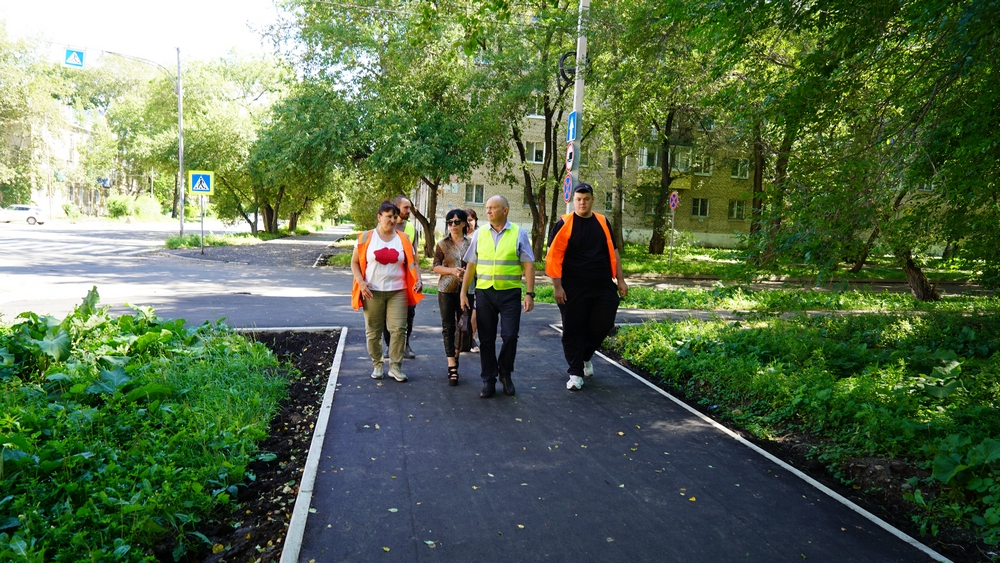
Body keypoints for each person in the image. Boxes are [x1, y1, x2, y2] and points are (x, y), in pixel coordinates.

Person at [545, 183, 628, 391]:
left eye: (586, 199)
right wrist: (557, 286)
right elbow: (553, 258)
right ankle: (575, 374)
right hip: (572, 287)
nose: (582, 203)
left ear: (592, 200)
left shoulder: (602, 221)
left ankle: (585, 355)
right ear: (574, 201)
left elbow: (614, 252)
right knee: (573, 328)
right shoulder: (563, 223)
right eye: (579, 199)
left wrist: (621, 280)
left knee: (604, 323)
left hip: (602, 285)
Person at [460, 196, 535, 398]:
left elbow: (528, 265)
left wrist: (530, 293)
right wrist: (463, 292)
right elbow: (471, 265)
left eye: (493, 208)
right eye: (487, 208)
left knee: (510, 336)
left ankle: (505, 372)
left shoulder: (519, 233)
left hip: (510, 293)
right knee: (486, 340)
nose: (488, 211)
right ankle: (488, 379)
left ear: (505, 210)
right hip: (484, 292)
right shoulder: (480, 233)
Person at [352, 200, 424, 382]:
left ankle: (395, 367)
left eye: (394, 216)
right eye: (388, 216)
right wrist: (361, 282)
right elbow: (354, 263)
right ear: (379, 217)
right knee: (373, 331)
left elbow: (413, 262)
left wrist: (419, 279)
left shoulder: (403, 238)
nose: (392, 220)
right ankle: (377, 365)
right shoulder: (366, 237)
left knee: (399, 329)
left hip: (398, 290)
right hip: (372, 291)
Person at [432, 209, 471, 385]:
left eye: (456, 222)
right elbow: (435, 266)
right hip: (446, 289)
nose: (453, 225)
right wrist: (452, 271)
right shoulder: (442, 244)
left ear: (464, 223)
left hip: (468, 290)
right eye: (449, 222)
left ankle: (456, 356)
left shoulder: (472, 243)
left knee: (463, 327)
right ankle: (451, 365)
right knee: (448, 327)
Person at [383, 195, 419, 359]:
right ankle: (389, 346)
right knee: (386, 314)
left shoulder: (411, 228)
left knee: (409, 312)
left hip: (407, 278)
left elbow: (415, 256)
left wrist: (418, 278)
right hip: (387, 277)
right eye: (406, 208)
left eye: (410, 208)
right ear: (396, 207)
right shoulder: (384, 225)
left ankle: (405, 345)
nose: (409, 211)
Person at [464, 208, 480, 353]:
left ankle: (472, 337)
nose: (469, 223)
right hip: (462, 276)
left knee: (476, 309)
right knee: (463, 309)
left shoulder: (480, 235)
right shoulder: (458, 235)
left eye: (471, 220)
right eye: (466, 220)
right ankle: (462, 337)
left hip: (478, 277)